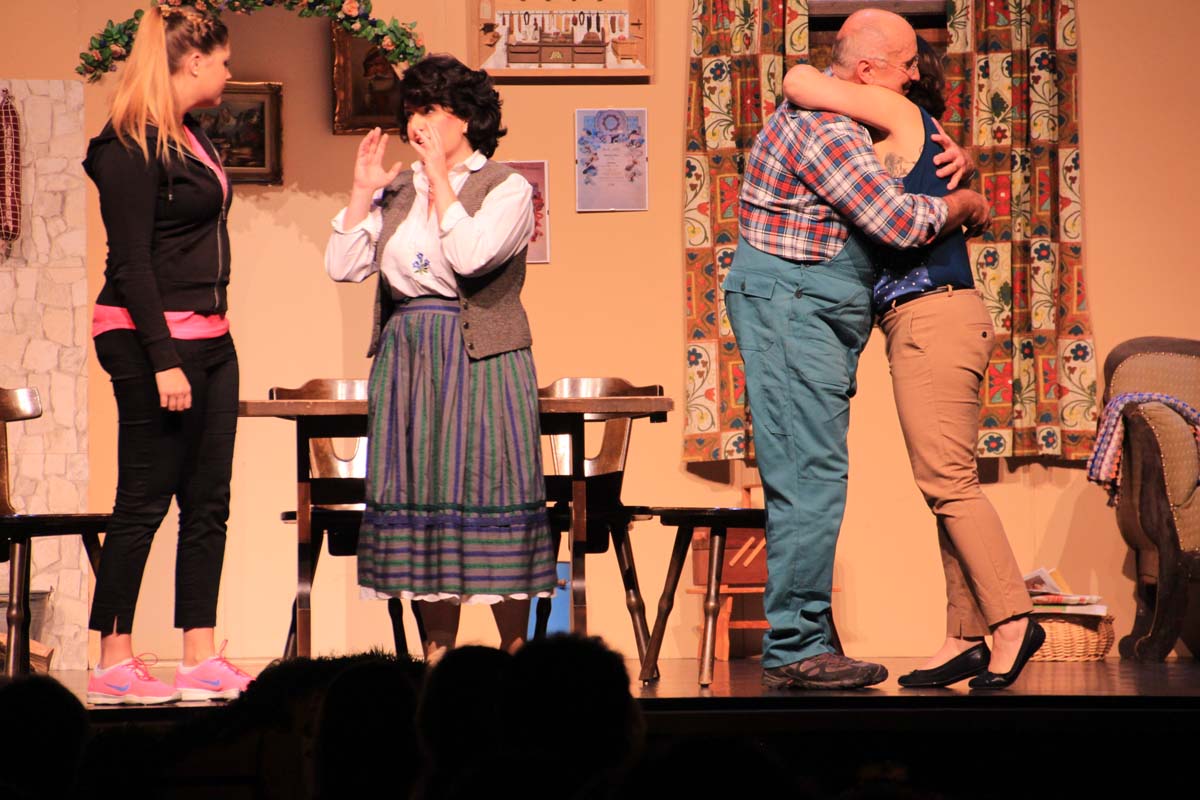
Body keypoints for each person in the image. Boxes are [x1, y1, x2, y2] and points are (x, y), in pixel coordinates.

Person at [724, 8, 992, 690]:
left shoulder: (852, 120)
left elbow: (904, 168)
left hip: (809, 304)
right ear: (868, 70)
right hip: (793, 303)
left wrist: (954, 158)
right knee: (809, 473)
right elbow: (898, 223)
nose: (914, 77)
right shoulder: (828, 129)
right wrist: (967, 204)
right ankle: (796, 646)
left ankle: (806, 632)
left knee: (814, 469)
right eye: (905, 65)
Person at [782, 32, 1045, 689]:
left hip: (933, 314)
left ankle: (1013, 620)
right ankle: (964, 634)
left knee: (949, 483)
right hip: (926, 317)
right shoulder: (905, 131)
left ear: (874, 73)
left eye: (903, 71)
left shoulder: (895, 110)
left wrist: (968, 194)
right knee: (944, 483)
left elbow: (799, 81)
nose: (901, 81)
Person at [325, 54, 556, 664]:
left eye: (429, 109)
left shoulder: (505, 187)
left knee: (492, 489)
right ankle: (436, 664)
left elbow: (473, 256)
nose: (416, 123)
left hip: (480, 358)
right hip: (410, 360)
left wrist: (442, 182)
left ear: (466, 119)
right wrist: (362, 192)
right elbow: (344, 266)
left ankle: (515, 659)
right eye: (411, 111)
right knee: (424, 499)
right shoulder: (401, 189)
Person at [82, 4, 252, 704]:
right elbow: (131, 264)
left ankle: (199, 655)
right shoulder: (128, 146)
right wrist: (162, 359)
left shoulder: (191, 135)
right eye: (224, 62)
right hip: (146, 337)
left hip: (211, 337)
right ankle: (112, 658)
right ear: (193, 62)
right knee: (145, 497)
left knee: (208, 500)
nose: (230, 73)